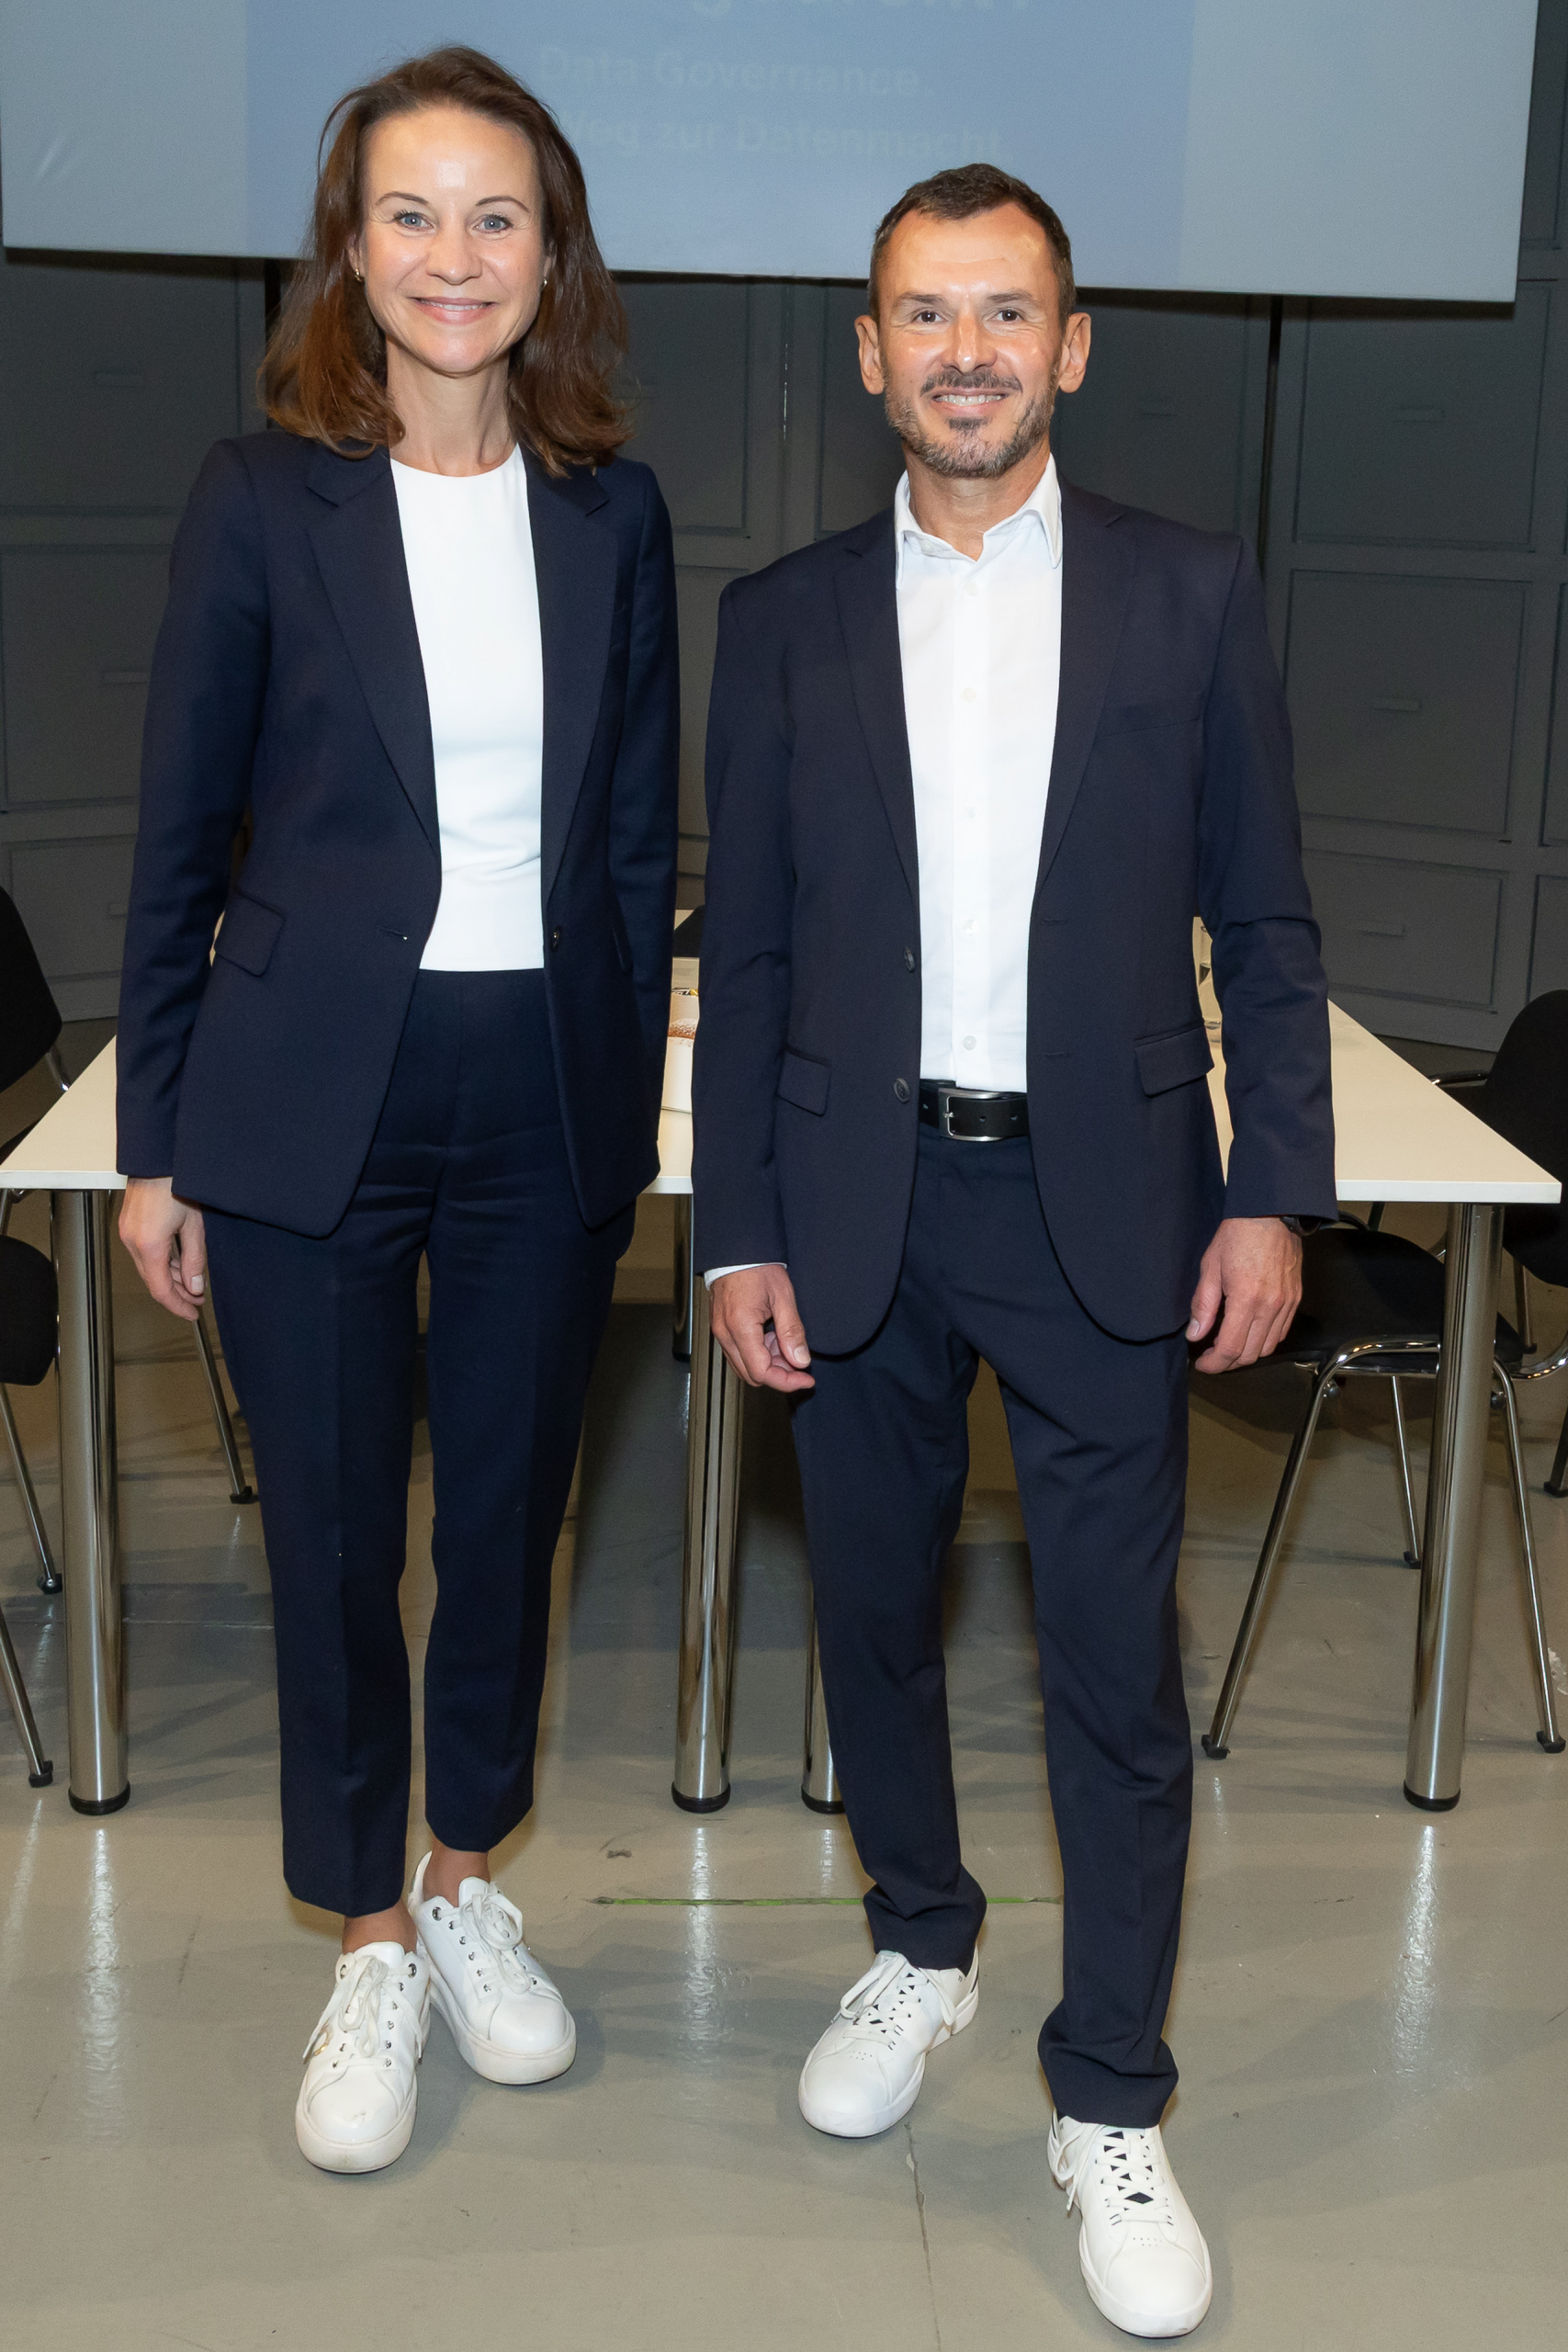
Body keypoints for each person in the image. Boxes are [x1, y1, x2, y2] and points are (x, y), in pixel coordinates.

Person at [693, 165, 1333, 2338]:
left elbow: (1266, 919)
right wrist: (737, 1227)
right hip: (854, 1201)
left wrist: (1270, 1187)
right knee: (870, 1617)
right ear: (869, 354)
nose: (962, 351)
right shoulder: (779, 618)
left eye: (1003, 312)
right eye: (922, 313)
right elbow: (750, 951)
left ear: (1068, 346)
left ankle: (1111, 2090)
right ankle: (920, 1935)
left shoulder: (1187, 591)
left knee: (1108, 1670)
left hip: (1106, 1209)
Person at [116, 46, 678, 2174]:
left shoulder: (612, 513)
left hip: (540, 1089)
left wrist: (622, 1113)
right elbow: (179, 837)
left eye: (496, 215)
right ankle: (365, 1929)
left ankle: (460, 1878)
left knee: (512, 1514)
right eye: (412, 213)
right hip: (304, 1097)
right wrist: (159, 1136)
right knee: (340, 1535)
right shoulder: (260, 498)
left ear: (553, 253)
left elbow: (632, 842)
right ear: (350, 250)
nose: (456, 255)